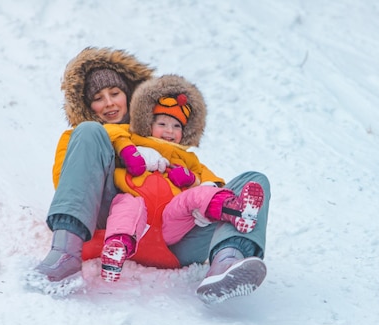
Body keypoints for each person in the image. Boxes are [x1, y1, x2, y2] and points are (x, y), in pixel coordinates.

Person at [98, 75, 265, 283]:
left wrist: (192, 180)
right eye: (162, 123)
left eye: (177, 126)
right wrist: (129, 150)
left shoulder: (189, 159)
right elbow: (105, 132)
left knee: (193, 197)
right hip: (137, 216)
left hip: (171, 222)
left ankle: (235, 209)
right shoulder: (132, 138)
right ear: (148, 124)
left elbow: (214, 182)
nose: (169, 131)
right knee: (128, 204)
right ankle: (117, 247)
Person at [34, 46, 154, 280]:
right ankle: (65, 253)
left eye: (115, 93)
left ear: (129, 94)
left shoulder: (159, 129)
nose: (109, 103)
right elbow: (68, 186)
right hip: (108, 215)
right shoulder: (82, 136)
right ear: (89, 107)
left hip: (161, 222)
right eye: (98, 99)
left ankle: (226, 263)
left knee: (244, 184)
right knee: (90, 131)